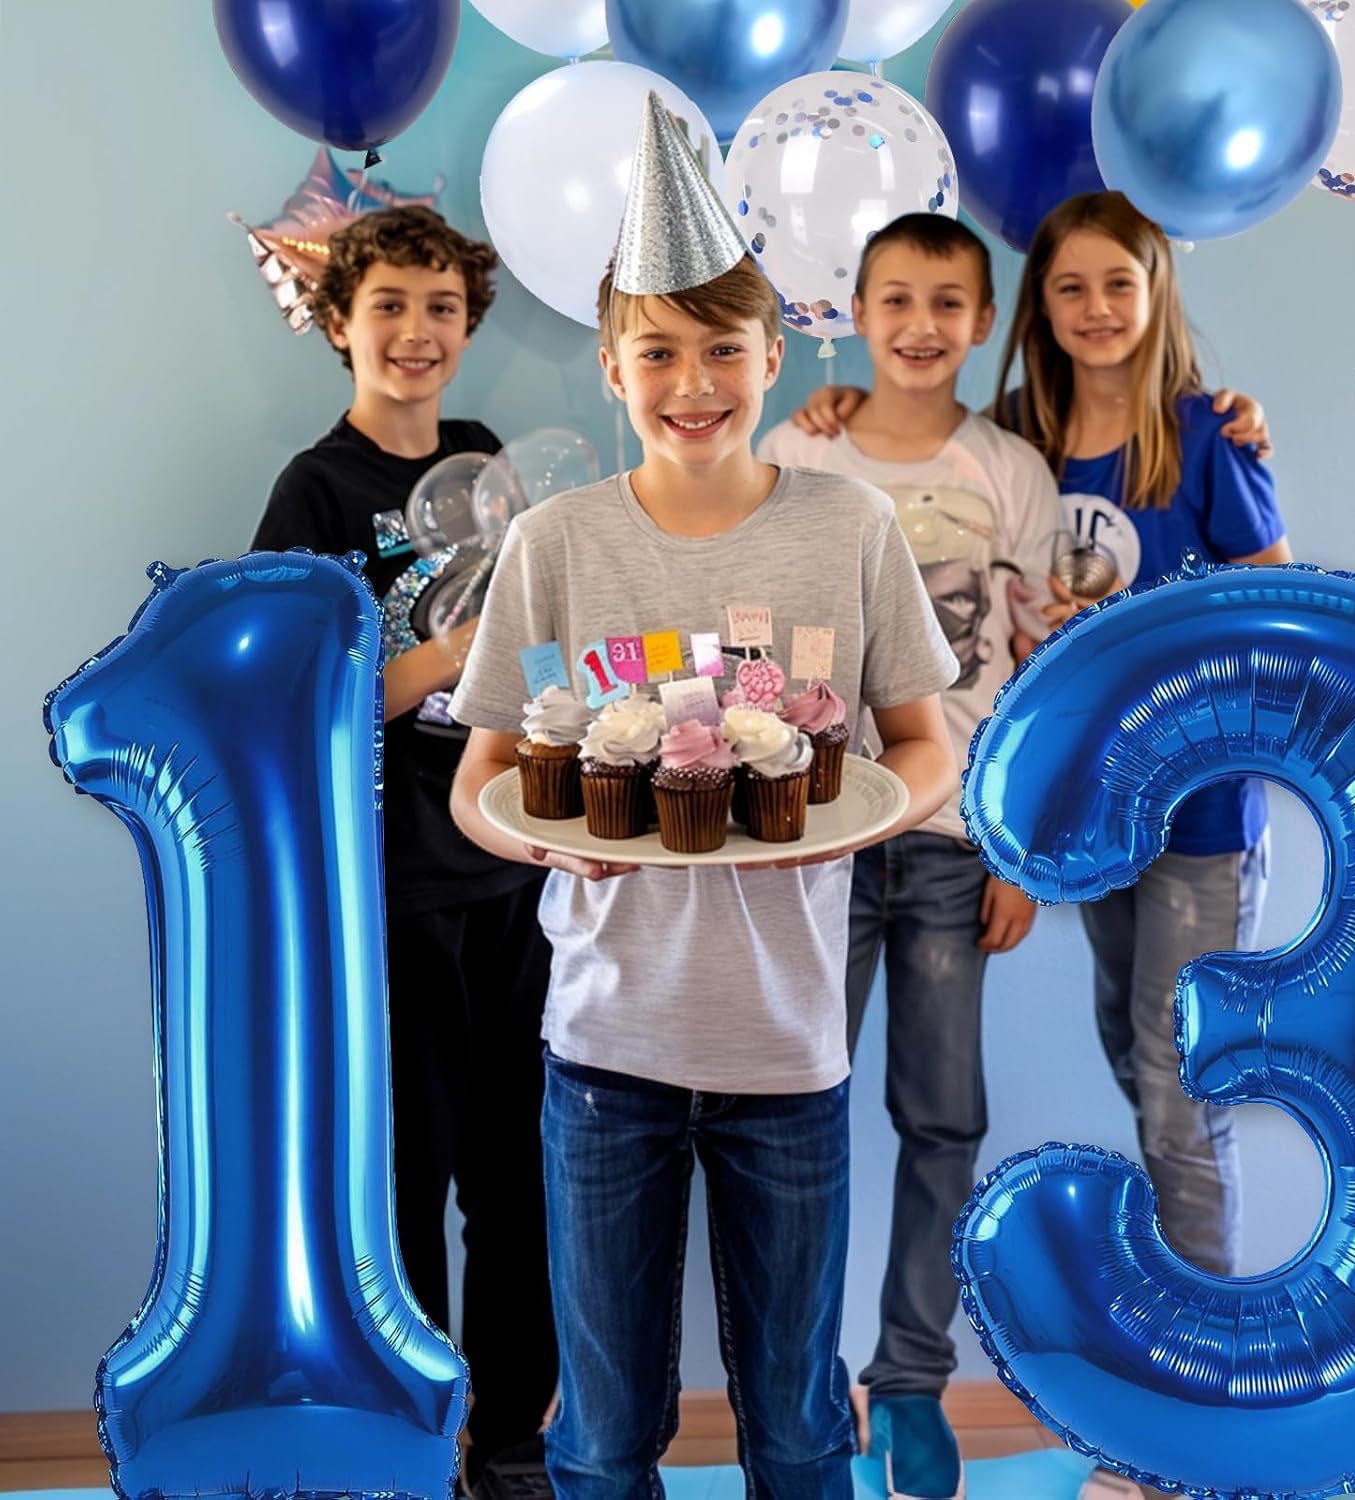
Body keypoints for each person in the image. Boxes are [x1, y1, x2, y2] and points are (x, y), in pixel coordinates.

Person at [448, 93, 959, 1500]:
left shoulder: (848, 527)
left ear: (773, 355)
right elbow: (486, 782)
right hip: (604, 1047)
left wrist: (859, 817)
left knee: (798, 1428)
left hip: (788, 1052)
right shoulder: (555, 546)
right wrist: (547, 843)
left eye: (724, 348)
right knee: (602, 1436)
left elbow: (928, 747)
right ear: (612, 364)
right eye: (659, 351)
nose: (694, 381)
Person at [792, 190, 1290, 1278]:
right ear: (1035, 309)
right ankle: (1184, 1324)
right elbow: (928, 450)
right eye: (1070, 286)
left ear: (1158, 291)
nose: (1096, 306)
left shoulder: (1208, 434)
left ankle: (1207, 1359)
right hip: (1093, 811)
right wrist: (839, 401)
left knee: (1179, 1086)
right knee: (1137, 1057)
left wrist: (1148, 645)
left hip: (1198, 809)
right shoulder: (1020, 435)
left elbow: (1276, 615)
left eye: (1119, 282)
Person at [250, 205, 557, 1500]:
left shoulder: (490, 464)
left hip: (520, 874)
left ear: (468, 324)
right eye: (389, 306)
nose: (417, 331)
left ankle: (515, 1443)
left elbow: (541, 642)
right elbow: (291, 699)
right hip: (396, 889)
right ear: (339, 323)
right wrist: (443, 657)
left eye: (441, 307)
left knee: (521, 1177)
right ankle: (418, 1441)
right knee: (405, 1178)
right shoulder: (315, 491)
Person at [758, 212, 1063, 1500]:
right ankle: (798, 1380)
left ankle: (912, 1383)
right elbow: (749, 643)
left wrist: (1021, 852)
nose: (921, 324)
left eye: (948, 302)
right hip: (814, 843)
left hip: (951, 842)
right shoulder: (798, 452)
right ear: (855, 311)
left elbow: (1041, 671)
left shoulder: (1009, 471)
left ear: (983, 322)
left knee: (942, 1116)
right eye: (896, 298)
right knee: (792, 1115)